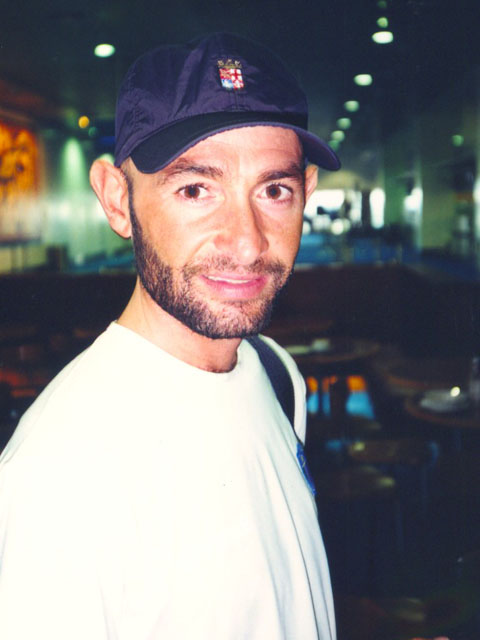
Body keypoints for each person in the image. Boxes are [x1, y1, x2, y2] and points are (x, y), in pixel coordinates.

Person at [0, 32, 337, 639]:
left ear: (306, 193)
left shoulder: (276, 374)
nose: (248, 242)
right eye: (195, 189)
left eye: (274, 190)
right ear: (117, 200)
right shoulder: (55, 475)